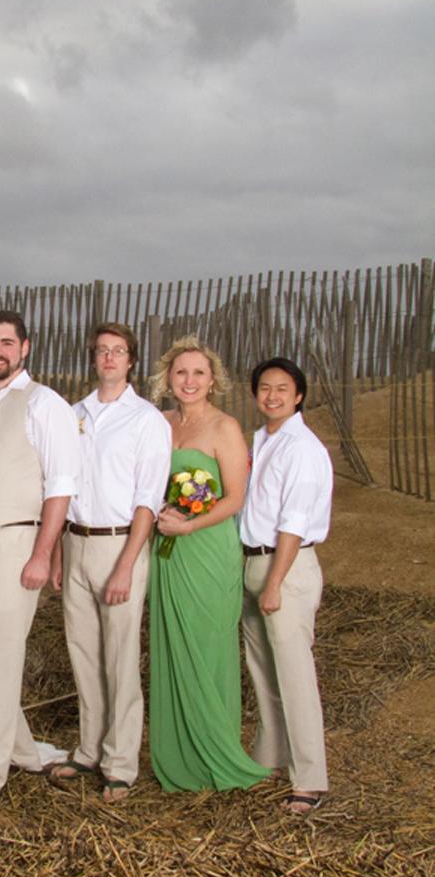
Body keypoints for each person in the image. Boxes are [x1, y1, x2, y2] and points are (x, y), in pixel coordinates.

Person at [0, 311, 79, 799]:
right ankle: (24, 753)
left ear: (25, 347)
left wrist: (42, 554)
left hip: (15, 542)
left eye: (7, 342)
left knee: (3, 658)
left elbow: (61, 485)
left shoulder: (45, 404)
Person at [50, 323, 170, 802]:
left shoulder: (146, 420)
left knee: (120, 658)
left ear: (131, 360)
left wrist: (126, 564)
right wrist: (59, 551)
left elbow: (148, 498)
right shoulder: (73, 415)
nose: (109, 358)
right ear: (93, 358)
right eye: (101, 351)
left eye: (118, 351)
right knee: (83, 652)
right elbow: (61, 484)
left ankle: (121, 762)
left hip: (120, 545)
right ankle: (89, 749)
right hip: (76, 542)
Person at [147, 335, 269, 792]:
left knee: (207, 645)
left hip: (207, 548)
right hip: (167, 552)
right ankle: (179, 753)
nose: (189, 381)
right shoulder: (158, 424)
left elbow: (235, 498)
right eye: (181, 372)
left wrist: (190, 526)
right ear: (168, 378)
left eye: (198, 373)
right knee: (174, 646)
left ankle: (217, 750)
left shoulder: (225, 428)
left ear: (212, 379)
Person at [240, 357, 333, 815]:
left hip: (286, 567)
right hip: (253, 563)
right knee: (263, 668)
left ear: (298, 396)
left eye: (282, 388)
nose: (272, 395)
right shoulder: (261, 439)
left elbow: (294, 523)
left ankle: (310, 779)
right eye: (264, 387)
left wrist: (274, 582)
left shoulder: (302, 448)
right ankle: (271, 756)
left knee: (295, 674)